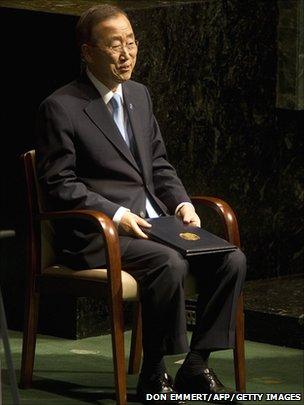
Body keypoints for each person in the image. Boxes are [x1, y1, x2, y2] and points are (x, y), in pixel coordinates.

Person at [36, 4, 246, 404]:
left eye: (131, 42)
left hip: (154, 224)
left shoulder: (139, 95)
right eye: (114, 45)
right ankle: (154, 370)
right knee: (169, 263)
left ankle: (197, 364)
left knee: (230, 258)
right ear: (87, 52)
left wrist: (182, 202)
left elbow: (159, 163)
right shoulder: (61, 106)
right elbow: (57, 184)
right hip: (97, 231)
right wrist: (116, 213)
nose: (126, 54)